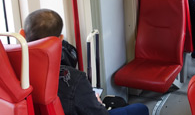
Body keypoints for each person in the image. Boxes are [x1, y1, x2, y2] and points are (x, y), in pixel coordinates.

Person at [21, 9, 149, 115]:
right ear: (59, 40)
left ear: (21, 34)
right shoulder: (72, 78)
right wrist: (97, 103)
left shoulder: (9, 71)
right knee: (141, 109)